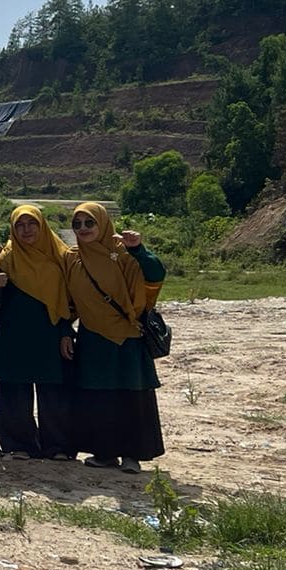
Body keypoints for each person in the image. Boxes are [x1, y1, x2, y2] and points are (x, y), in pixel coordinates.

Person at [64, 203, 166, 473]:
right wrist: (65, 330)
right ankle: (104, 453)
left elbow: (155, 274)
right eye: (77, 224)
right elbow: (67, 301)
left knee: (130, 397)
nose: (83, 229)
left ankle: (132, 455)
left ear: (103, 224)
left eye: (89, 223)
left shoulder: (122, 254)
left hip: (127, 338)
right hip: (93, 338)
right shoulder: (73, 259)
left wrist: (138, 249)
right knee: (99, 399)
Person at [0, 204, 74, 459]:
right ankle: (19, 444)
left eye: (31, 224)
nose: (26, 230)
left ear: (42, 225)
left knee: (53, 391)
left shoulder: (60, 255)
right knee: (14, 389)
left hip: (50, 332)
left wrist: (65, 332)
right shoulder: (6, 257)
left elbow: (69, 298)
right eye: (20, 226)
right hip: (13, 333)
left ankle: (57, 446)